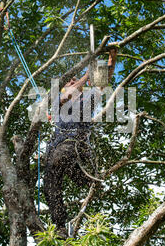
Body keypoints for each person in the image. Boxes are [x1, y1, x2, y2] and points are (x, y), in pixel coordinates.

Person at [43, 48, 117, 236]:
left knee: (63, 157)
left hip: (74, 145)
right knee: (50, 184)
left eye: (76, 82)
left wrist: (112, 56)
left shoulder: (87, 99)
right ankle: (60, 226)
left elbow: (102, 82)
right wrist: (86, 75)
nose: (73, 83)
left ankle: (86, 177)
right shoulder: (58, 102)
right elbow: (66, 95)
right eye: (70, 82)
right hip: (56, 149)